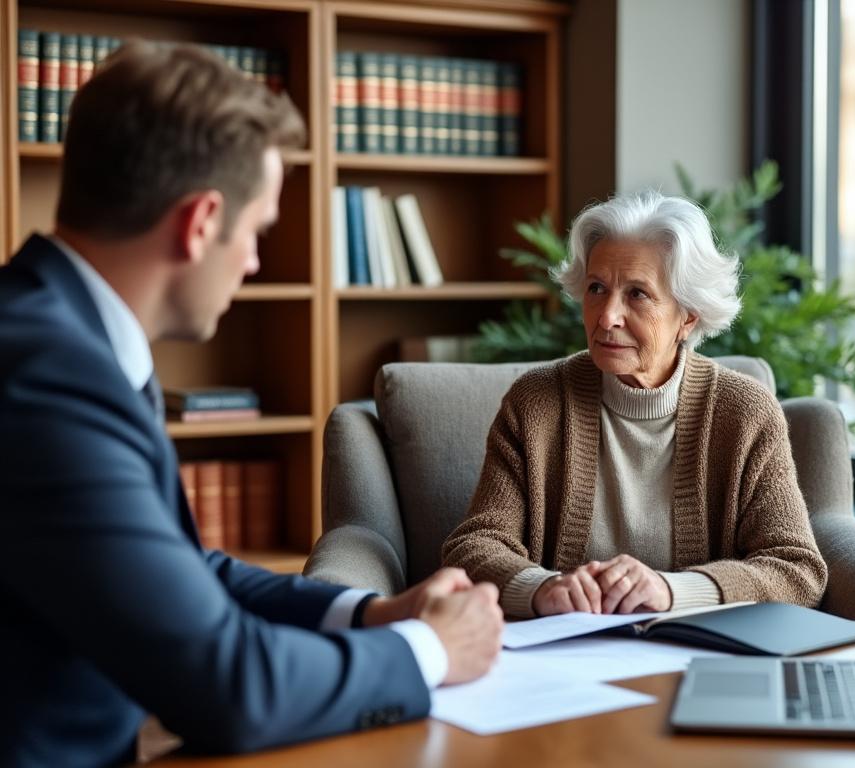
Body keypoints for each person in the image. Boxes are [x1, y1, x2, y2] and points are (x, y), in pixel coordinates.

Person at [0, 42, 502, 767]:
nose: (256, 262)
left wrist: (371, 612)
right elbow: (230, 689)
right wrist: (427, 650)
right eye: (259, 229)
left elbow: (174, 568)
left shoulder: (59, 330)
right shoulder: (49, 376)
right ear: (201, 222)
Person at [442, 191, 827, 618]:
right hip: (564, 658)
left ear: (689, 315)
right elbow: (473, 546)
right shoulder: (536, 403)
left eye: (638, 294)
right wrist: (543, 588)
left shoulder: (745, 412)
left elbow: (797, 569)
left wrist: (673, 590)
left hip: (699, 655)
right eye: (596, 288)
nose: (607, 316)